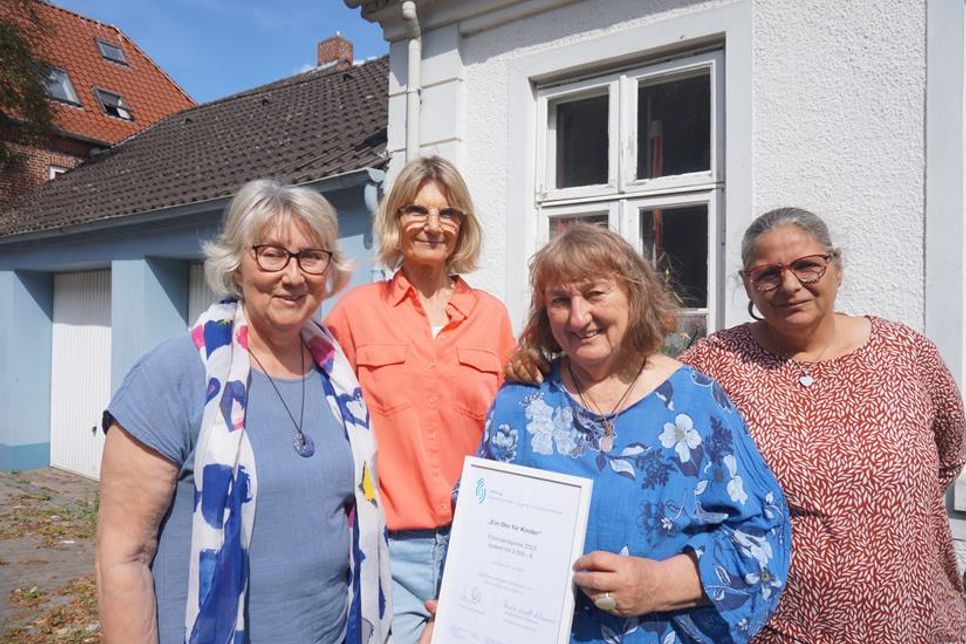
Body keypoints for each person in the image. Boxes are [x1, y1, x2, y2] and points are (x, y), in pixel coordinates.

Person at [452, 222, 791, 642]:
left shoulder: (696, 404)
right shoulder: (521, 403)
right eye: (560, 301)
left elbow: (762, 539)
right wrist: (459, 606)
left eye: (595, 294)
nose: (579, 317)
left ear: (634, 294)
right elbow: (475, 519)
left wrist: (661, 583)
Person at [95, 179, 392, 644]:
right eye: (271, 253)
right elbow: (123, 557)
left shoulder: (338, 379)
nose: (293, 276)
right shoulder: (176, 375)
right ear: (237, 265)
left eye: (311, 257)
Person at [679, 207, 966, 642]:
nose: (789, 285)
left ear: (836, 267)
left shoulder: (907, 353)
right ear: (748, 287)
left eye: (806, 266)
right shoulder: (714, 364)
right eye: (768, 274)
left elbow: (950, 452)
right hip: (780, 627)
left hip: (919, 621)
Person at [325, 156, 515, 642]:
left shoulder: (491, 317)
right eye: (417, 211)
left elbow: (510, 434)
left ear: (462, 226)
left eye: (447, 214)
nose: (433, 226)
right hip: (387, 546)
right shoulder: (354, 314)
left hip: (477, 544)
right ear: (395, 220)